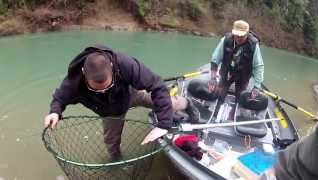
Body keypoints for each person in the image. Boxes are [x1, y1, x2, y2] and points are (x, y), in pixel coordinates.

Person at [44, 45, 187, 160]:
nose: (103, 90)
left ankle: (188, 104)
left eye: (107, 85)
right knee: (111, 143)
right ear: (83, 72)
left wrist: (163, 125)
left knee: (173, 103)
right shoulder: (74, 80)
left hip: (131, 95)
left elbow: (157, 85)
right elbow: (60, 98)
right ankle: (117, 160)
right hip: (110, 112)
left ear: (112, 67)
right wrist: (55, 111)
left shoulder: (125, 63)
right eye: (97, 89)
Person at [209, 20, 264, 102]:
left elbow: (258, 66)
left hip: (243, 75)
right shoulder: (226, 40)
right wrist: (213, 78)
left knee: (241, 97)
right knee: (219, 94)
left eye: (242, 36)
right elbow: (215, 59)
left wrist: (256, 86)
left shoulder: (253, 45)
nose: (238, 38)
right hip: (227, 71)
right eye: (236, 35)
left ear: (247, 33)